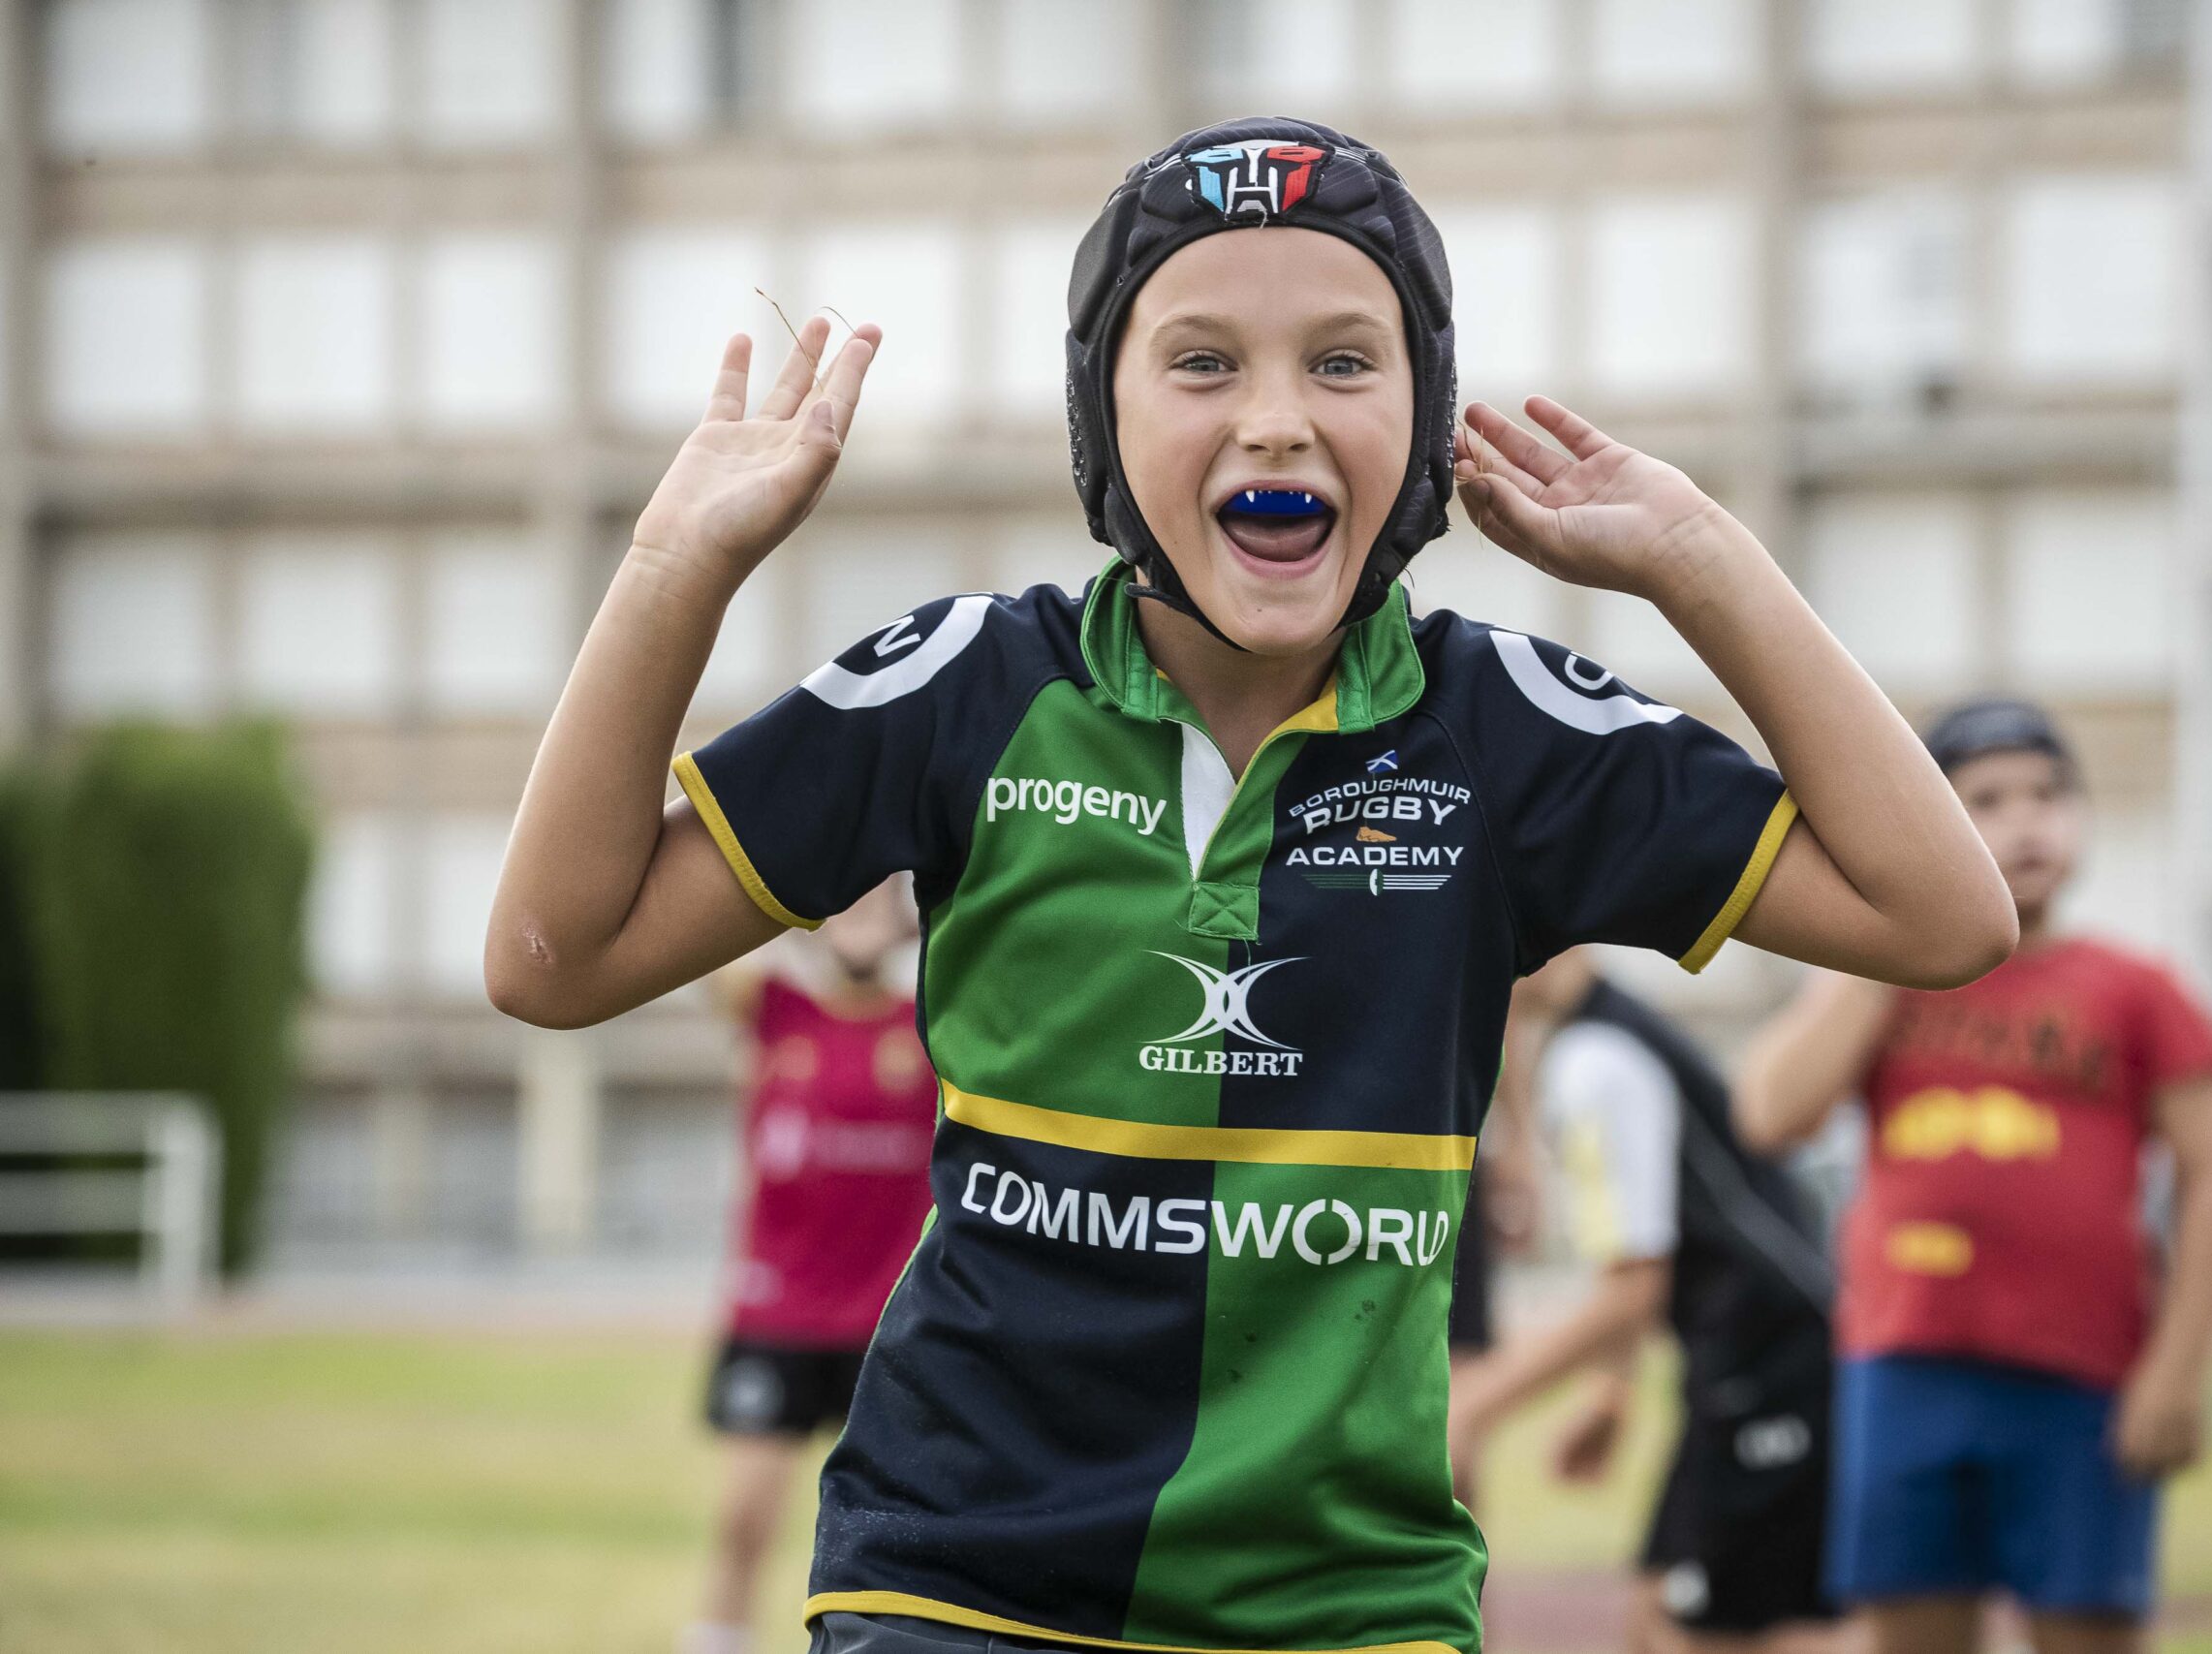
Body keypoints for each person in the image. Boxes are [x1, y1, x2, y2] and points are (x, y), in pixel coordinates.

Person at [484, 115, 2014, 1654]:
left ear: (1426, 418)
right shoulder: (966, 685)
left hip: (1347, 1608)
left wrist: (1701, 558)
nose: (1278, 419)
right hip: (954, 1584)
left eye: (1346, 362)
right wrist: (674, 561)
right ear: (1102, 414)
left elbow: (1940, 916)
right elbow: (555, 955)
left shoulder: (1511, 733)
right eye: (1203, 362)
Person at [1736, 698, 2212, 1654]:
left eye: (2050, 794)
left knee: (2087, 1630)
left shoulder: (2137, 988)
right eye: (1985, 800)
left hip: (2082, 1374)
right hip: (1904, 1363)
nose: (2027, 821)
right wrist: (1901, 934)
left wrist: (2179, 1373)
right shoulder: (1877, 974)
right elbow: (1770, 1112)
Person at [1449, 948, 1843, 1654]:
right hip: (1733, 1361)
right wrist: (1611, 1392)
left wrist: (1474, 1402)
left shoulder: (1596, 1060)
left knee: (1711, 1630)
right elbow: (1644, 1249)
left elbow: (1631, 1292)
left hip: (1777, 1361)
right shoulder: (1605, 1036)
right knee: (1652, 1618)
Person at [684, 875, 936, 1654]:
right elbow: (695, 933)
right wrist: (806, 875)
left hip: (889, 1323)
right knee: (742, 1519)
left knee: (910, 1537)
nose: (860, 914)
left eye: (877, 900)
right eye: (846, 898)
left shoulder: (929, 1025)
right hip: (779, 1313)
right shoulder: (772, 1009)